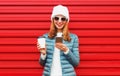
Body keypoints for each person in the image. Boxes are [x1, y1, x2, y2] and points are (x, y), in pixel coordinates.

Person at [37, 5, 80, 76]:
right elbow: (42, 64)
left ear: (66, 21)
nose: (59, 21)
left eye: (63, 19)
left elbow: (76, 63)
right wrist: (43, 54)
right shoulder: (45, 37)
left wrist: (66, 50)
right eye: (56, 18)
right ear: (53, 20)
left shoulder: (73, 38)